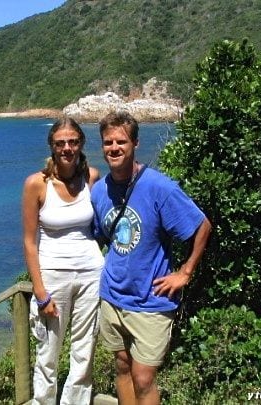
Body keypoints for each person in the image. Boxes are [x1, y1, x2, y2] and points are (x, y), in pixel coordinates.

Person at [90, 111, 212, 405]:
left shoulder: (159, 187)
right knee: (121, 365)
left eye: (121, 141)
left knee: (144, 377)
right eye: (108, 143)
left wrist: (185, 272)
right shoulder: (100, 191)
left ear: (134, 144)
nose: (114, 148)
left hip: (150, 300)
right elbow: (100, 236)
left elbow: (202, 225)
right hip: (112, 296)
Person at [22, 117, 105, 404]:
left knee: (84, 350)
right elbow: (29, 243)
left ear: (81, 144)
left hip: (91, 275)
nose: (67, 148)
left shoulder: (92, 177)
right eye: (61, 143)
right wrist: (40, 291)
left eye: (73, 142)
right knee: (48, 351)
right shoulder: (37, 184)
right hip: (52, 276)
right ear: (52, 146)